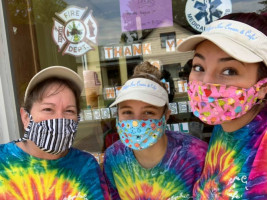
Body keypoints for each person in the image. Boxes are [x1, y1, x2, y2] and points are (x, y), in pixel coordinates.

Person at [177, 12, 267, 199]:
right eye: (199, 67)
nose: (206, 82)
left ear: (262, 87)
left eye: (229, 71)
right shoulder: (225, 127)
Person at [0, 66, 109, 199]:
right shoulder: (3, 162)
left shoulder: (86, 166)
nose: (59, 119)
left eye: (69, 111)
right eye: (48, 109)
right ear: (26, 117)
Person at [103, 61, 208, 199]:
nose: (137, 121)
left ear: (166, 116)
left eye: (148, 113)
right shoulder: (113, 157)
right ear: (117, 116)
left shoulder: (197, 155)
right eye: (127, 112)